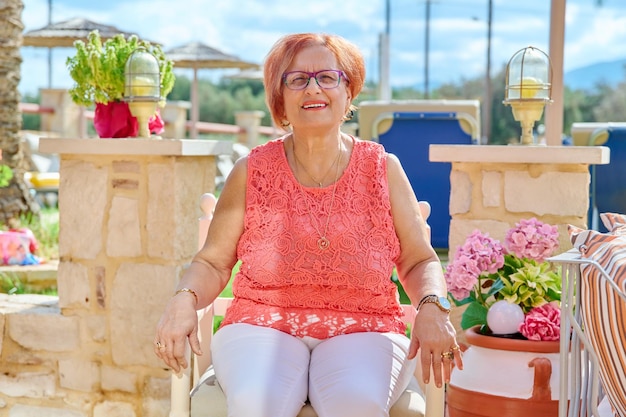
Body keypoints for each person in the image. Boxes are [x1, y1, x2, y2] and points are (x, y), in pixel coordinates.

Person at [154, 32, 462, 417]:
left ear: (348, 93)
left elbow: (419, 261)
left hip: (365, 328)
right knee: (257, 402)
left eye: (327, 77)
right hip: (260, 326)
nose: (313, 87)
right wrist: (184, 296)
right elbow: (213, 262)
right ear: (280, 100)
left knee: (358, 404)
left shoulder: (383, 169)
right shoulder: (251, 171)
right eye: (297, 79)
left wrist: (432, 305)